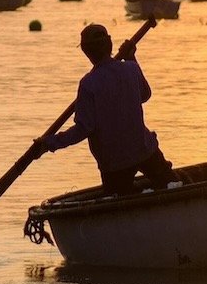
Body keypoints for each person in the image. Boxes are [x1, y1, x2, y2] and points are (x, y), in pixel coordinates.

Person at [31, 23, 174, 194]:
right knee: (173, 184)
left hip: (115, 163)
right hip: (144, 151)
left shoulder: (89, 83)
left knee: (119, 197)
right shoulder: (130, 68)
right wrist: (131, 58)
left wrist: (49, 143)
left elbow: (83, 129)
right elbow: (145, 95)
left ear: (86, 51)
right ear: (109, 45)